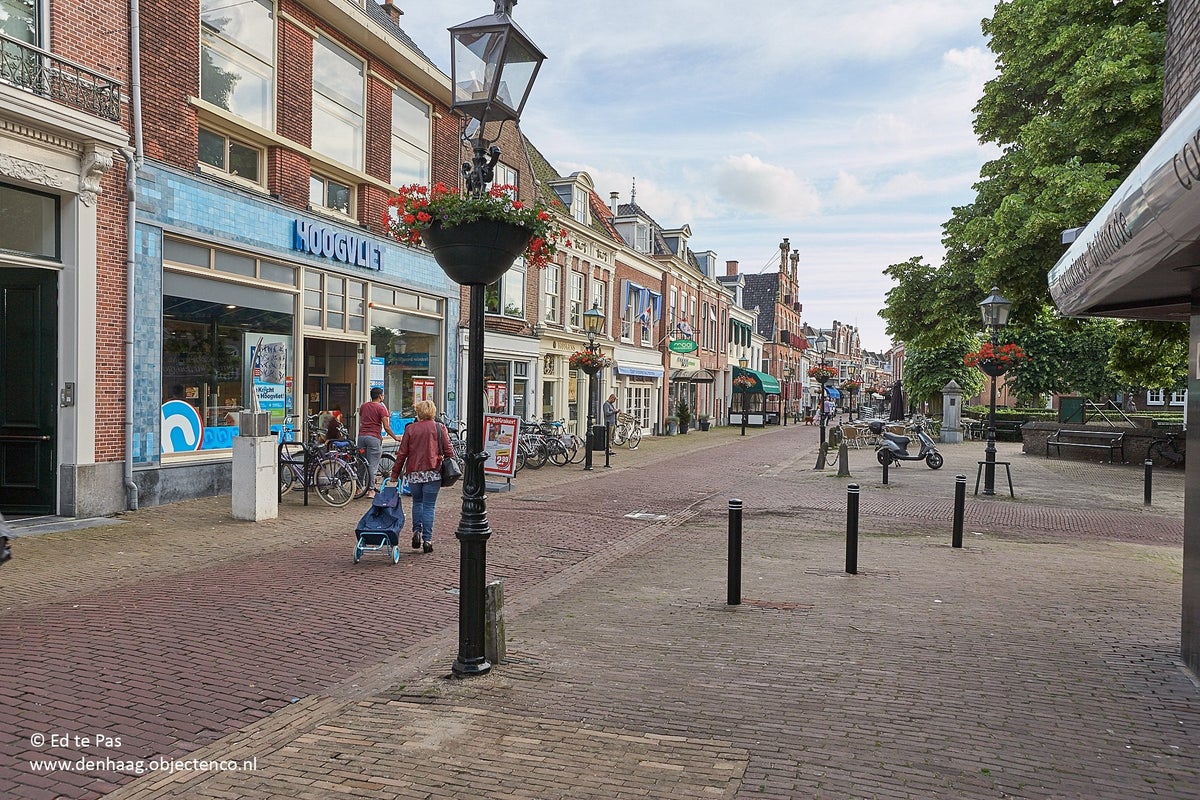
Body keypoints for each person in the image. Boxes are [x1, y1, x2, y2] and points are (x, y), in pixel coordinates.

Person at [390, 399, 453, 553]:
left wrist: (395, 473)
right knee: (429, 506)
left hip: (414, 473)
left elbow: (402, 453)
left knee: (417, 503)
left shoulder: (410, 429)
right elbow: (449, 451)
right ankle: (427, 540)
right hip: (433, 473)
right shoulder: (440, 427)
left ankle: (416, 532)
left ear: (418, 413)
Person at [357, 388, 401, 499]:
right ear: (380, 396)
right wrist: (395, 437)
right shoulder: (381, 409)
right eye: (383, 395)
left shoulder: (364, 406)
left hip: (362, 437)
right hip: (373, 438)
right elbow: (386, 427)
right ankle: (371, 490)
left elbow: (363, 418)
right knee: (372, 465)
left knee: (361, 463)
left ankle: (358, 488)